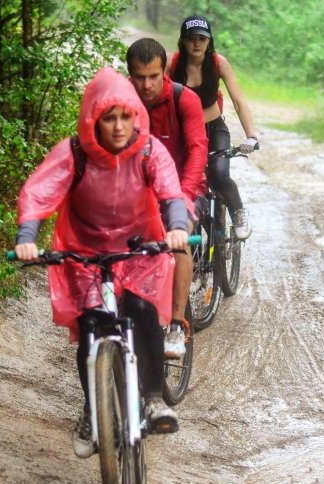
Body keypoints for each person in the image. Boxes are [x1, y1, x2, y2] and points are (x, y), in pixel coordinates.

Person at [15, 66, 190, 458]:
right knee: (92, 323)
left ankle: (153, 397)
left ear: (135, 116)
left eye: (124, 116)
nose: (117, 127)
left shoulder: (147, 149)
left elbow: (170, 192)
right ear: (93, 119)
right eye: (108, 118)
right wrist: (27, 239)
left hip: (137, 247)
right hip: (85, 253)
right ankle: (93, 410)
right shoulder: (74, 152)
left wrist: (176, 227)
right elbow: (38, 194)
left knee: (142, 311)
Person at [126, 37, 207, 360]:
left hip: (183, 188)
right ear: (129, 75)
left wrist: (184, 198)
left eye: (153, 77)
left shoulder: (183, 99)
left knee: (179, 238)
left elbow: (199, 149)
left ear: (165, 73)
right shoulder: (124, 103)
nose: (146, 85)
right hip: (140, 190)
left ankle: (176, 323)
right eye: (139, 77)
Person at [170, 14, 259, 240]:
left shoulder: (218, 62)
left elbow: (239, 102)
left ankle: (238, 212)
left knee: (218, 174)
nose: (197, 43)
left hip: (213, 129)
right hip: (184, 133)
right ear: (183, 41)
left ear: (209, 41)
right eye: (191, 38)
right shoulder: (174, 64)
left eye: (202, 38)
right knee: (184, 181)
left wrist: (251, 136)